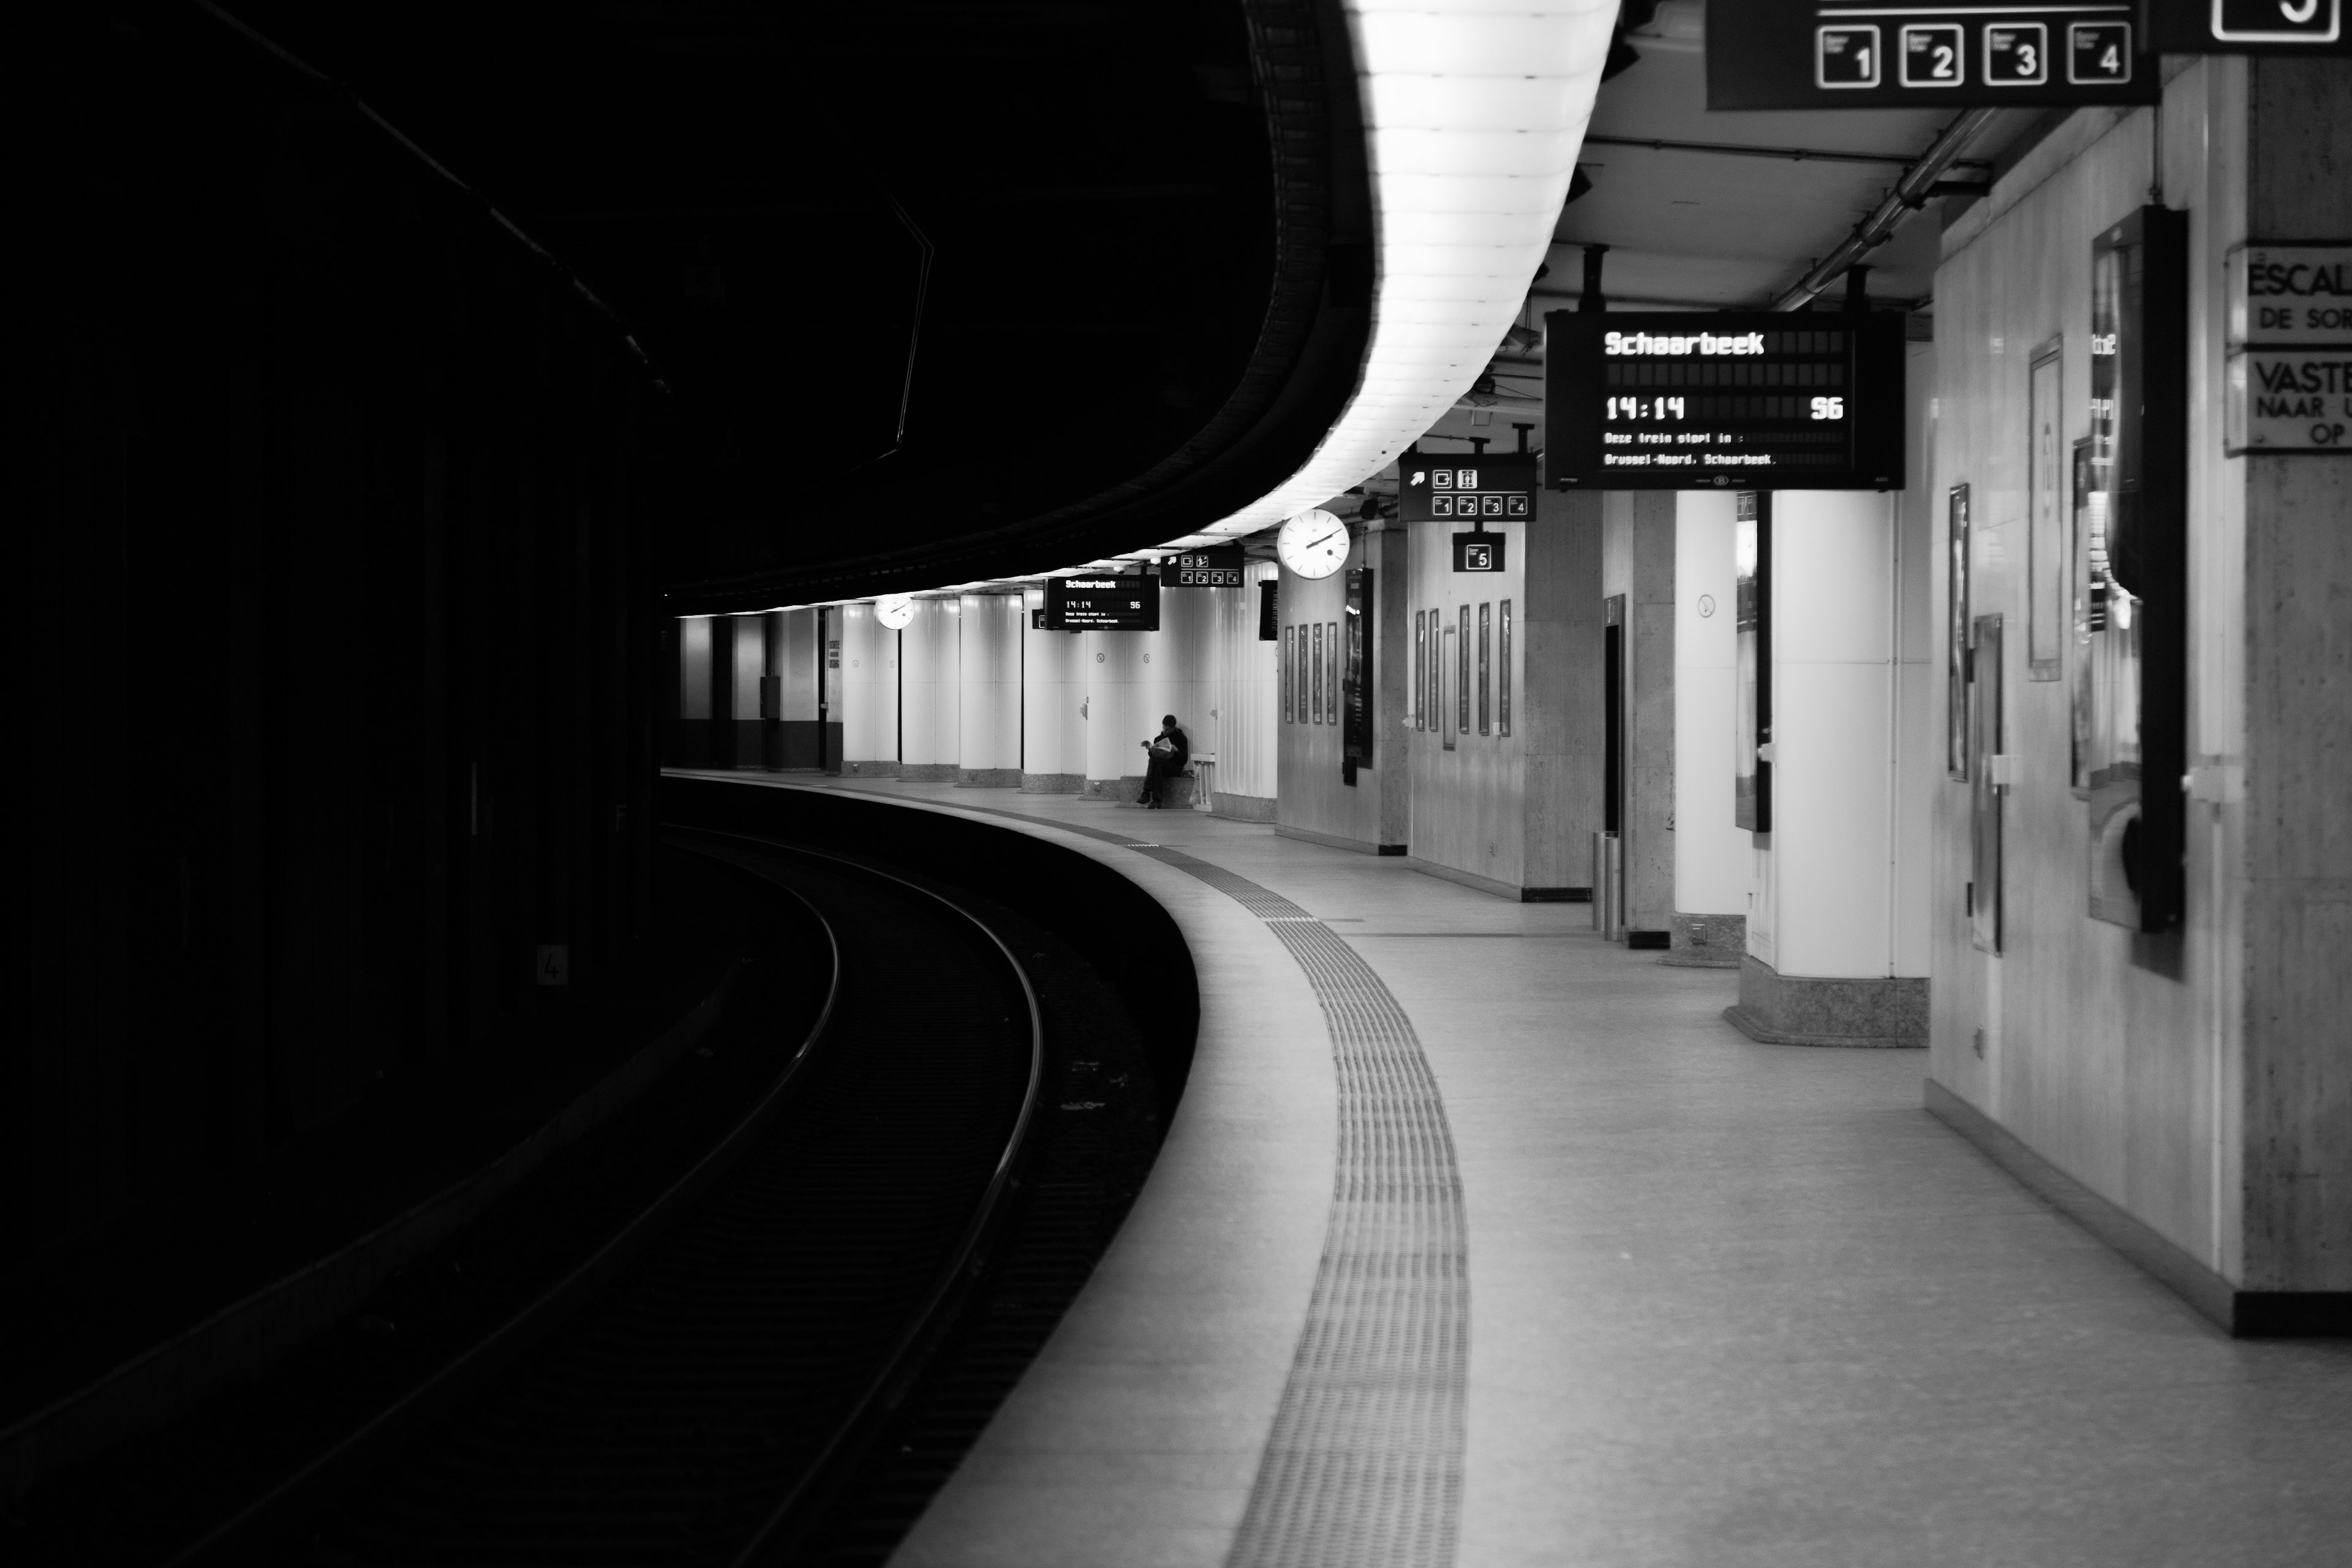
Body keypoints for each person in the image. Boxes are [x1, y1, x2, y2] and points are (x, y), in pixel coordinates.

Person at [1136, 713, 1190, 808]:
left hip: (1174, 767)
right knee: (1157, 764)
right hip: (1160, 766)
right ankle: (1156, 800)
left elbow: (1184, 760)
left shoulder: (1181, 738)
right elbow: (1153, 756)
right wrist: (1151, 750)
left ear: (1173, 728)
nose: (1165, 731)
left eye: (1167, 729)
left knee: (1156, 763)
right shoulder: (1159, 739)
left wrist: (1177, 751)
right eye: (1164, 728)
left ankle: (1146, 793)